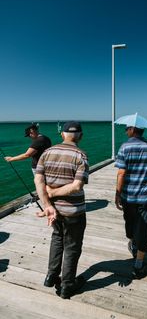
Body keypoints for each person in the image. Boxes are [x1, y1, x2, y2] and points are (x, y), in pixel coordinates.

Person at [34, 121, 89, 299]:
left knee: (57, 239)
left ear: (62, 135)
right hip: (74, 212)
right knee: (72, 246)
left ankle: (51, 276)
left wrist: (48, 204)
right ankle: (67, 285)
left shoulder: (47, 153)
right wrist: (55, 193)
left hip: (54, 211)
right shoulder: (81, 155)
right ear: (80, 135)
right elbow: (77, 186)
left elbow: (38, 181)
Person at [115, 126, 147, 279]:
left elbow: (121, 173)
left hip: (128, 196)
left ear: (132, 130)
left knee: (130, 222)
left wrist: (117, 193)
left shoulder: (124, 147)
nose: (125, 131)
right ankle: (139, 262)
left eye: (127, 129)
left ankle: (133, 246)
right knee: (144, 227)